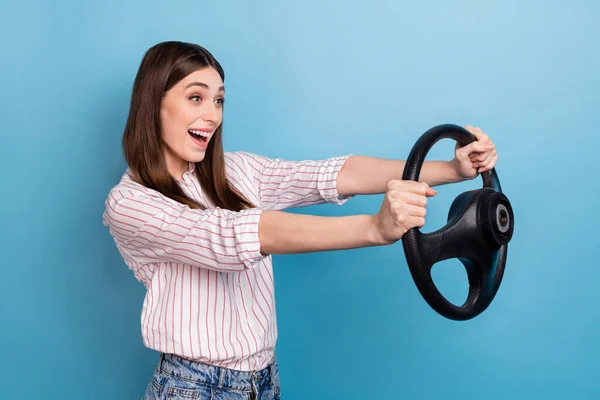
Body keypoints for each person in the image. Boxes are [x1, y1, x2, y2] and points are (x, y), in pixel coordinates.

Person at [102, 41, 498, 400]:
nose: (212, 116)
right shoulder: (130, 204)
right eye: (195, 98)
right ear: (153, 103)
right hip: (192, 388)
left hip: (263, 380)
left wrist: (450, 169)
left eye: (219, 101)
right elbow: (234, 236)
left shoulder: (236, 172)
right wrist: (374, 229)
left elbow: (336, 174)